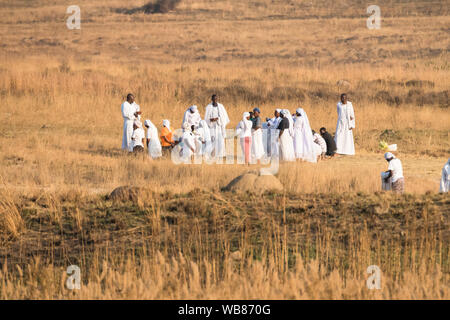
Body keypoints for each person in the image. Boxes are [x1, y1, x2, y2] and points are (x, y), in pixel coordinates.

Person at [204, 94, 230, 160]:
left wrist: (219, 119)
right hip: (212, 127)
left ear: (217, 99)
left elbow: (224, 117)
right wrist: (211, 119)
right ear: (211, 99)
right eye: (213, 99)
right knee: (212, 140)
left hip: (219, 126)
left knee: (220, 140)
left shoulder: (221, 106)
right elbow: (206, 118)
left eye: (216, 99)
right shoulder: (209, 107)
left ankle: (220, 156)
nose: (215, 100)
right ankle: (212, 155)